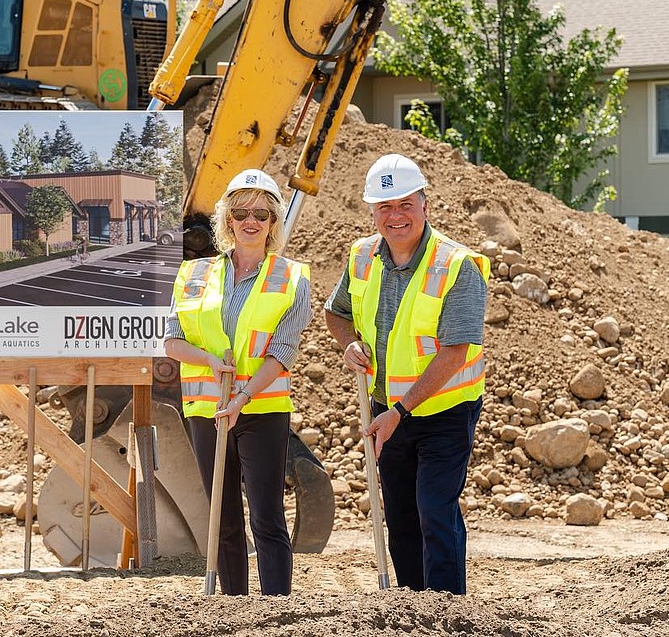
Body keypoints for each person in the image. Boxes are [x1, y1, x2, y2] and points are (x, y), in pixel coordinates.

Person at [323, 154, 489, 595]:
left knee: (435, 509)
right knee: (399, 515)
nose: (395, 216)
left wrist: (400, 410)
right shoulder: (361, 257)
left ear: (424, 204)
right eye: (384, 207)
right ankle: (413, 607)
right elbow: (335, 313)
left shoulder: (457, 266)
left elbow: (455, 353)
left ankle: (449, 611)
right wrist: (349, 343)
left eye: (404, 204)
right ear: (372, 211)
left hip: (445, 411)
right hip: (385, 411)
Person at [164, 169, 313, 595]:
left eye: (262, 214)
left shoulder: (291, 277)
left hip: (261, 408)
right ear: (228, 219)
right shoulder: (194, 274)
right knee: (222, 518)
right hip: (206, 411)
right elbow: (172, 342)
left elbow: (283, 352)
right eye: (242, 212)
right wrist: (209, 360)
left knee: (266, 515)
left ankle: (276, 610)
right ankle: (233, 610)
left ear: (273, 222)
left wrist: (243, 396)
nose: (251, 221)